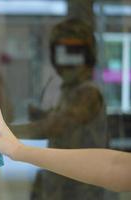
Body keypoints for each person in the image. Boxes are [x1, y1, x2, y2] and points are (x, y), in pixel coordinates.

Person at [10, 18, 110, 199]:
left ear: (87, 56)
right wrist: (43, 115)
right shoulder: (73, 90)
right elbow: (65, 121)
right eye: (62, 52)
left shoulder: (88, 93)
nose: (66, 61)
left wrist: (4, 130)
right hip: (64, 182)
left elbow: (57, 126)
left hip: (79, 188)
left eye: (74, 52)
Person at [0, 105, 131, 192]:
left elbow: (118, 169)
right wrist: (17, 150)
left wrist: (17, 149)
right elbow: (116, 167)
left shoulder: (88, 94)